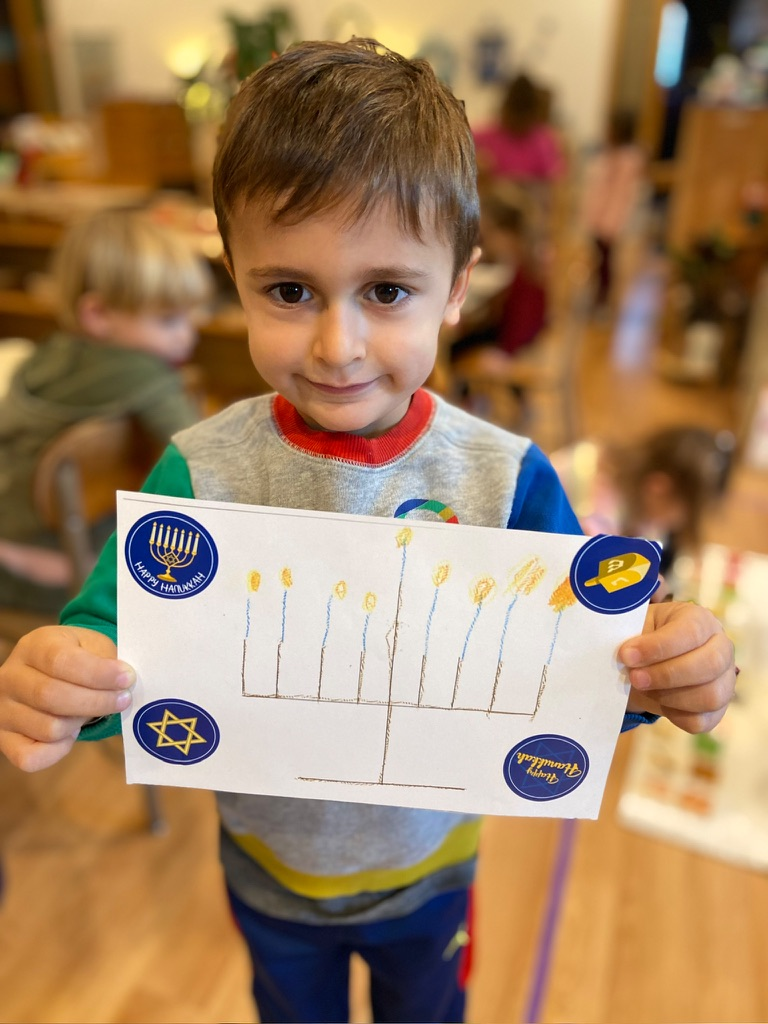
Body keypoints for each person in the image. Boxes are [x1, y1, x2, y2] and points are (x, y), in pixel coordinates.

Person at [0, 40, 736, 1024]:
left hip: (431, 873)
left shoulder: (508, 477)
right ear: (234, 277)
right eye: (289, 291)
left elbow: (597, 661)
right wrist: (66, 678)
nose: (337, 345)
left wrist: (670, 665)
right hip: (268, 869)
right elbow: (115, 641)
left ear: (458, 287)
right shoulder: (199, 471)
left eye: (387, 291)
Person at [0, 208, 213, 613]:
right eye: (169, 320)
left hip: (20, 514)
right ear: (97, 314)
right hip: (58, 557)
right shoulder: (142, 374)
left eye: (191, 316)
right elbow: (200, 456)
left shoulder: (46, 355)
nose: (188, 335)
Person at [551, 426, 736, 575]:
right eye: (683, 514)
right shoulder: (598, 509)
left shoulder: (625, 473)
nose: (677, 524)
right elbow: (592, 567)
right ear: (659, 487)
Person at [579, 109, 646, 311]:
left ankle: (603, 298)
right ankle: (596, 295)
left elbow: (622, 196)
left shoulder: (629, 159)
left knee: (606, 262)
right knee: (597, 259)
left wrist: (612, 222)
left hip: (610, 220)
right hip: (599, 216)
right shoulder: (608, 154)